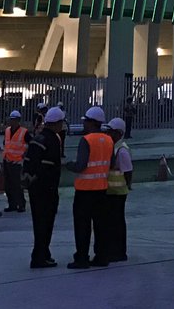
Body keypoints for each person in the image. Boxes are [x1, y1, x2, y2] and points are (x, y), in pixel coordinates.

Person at [65, 107, 113, 269]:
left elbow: (81, 165)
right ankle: (101, 257)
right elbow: (111, 164)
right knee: (101, 226)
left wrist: (68, 165)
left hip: (85, 191)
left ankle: (82, 258)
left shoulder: (86, 140)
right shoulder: (108, 140)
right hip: (101, 190)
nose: (84, 123)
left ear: (92, 122)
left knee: (82, 227)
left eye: (86, 120)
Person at [23, 107, 65, 269]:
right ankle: (40, 256)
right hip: (46, 189)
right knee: (45, 224)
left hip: (35, 189)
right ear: (57, 123)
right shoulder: (53, 140)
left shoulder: (38, 137)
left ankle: (41, 254)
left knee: (38, 223)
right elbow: (51, 167)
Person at [104, 117, 133, 262]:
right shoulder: (112, 147)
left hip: (118, 193)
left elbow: (128, 171)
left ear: (119, 134)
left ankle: (119, 252)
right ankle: (113, 250)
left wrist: (128, 185)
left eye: (112, 132)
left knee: (117, 223)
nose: (109, 134)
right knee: (111, 222)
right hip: (110, 192)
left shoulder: (121, 150)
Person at [2, 111, 31, 213]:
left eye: (14, 119)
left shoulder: (24, 132)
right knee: (8, 185)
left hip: (18, 162)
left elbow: (30, 144)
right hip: (7, 161)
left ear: (18, 120)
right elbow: (6, 144)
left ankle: (21, 204)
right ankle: (12, 204)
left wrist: (25, 155)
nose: (12, 121)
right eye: (11, 119)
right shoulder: (7, 131)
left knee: (17, 185)